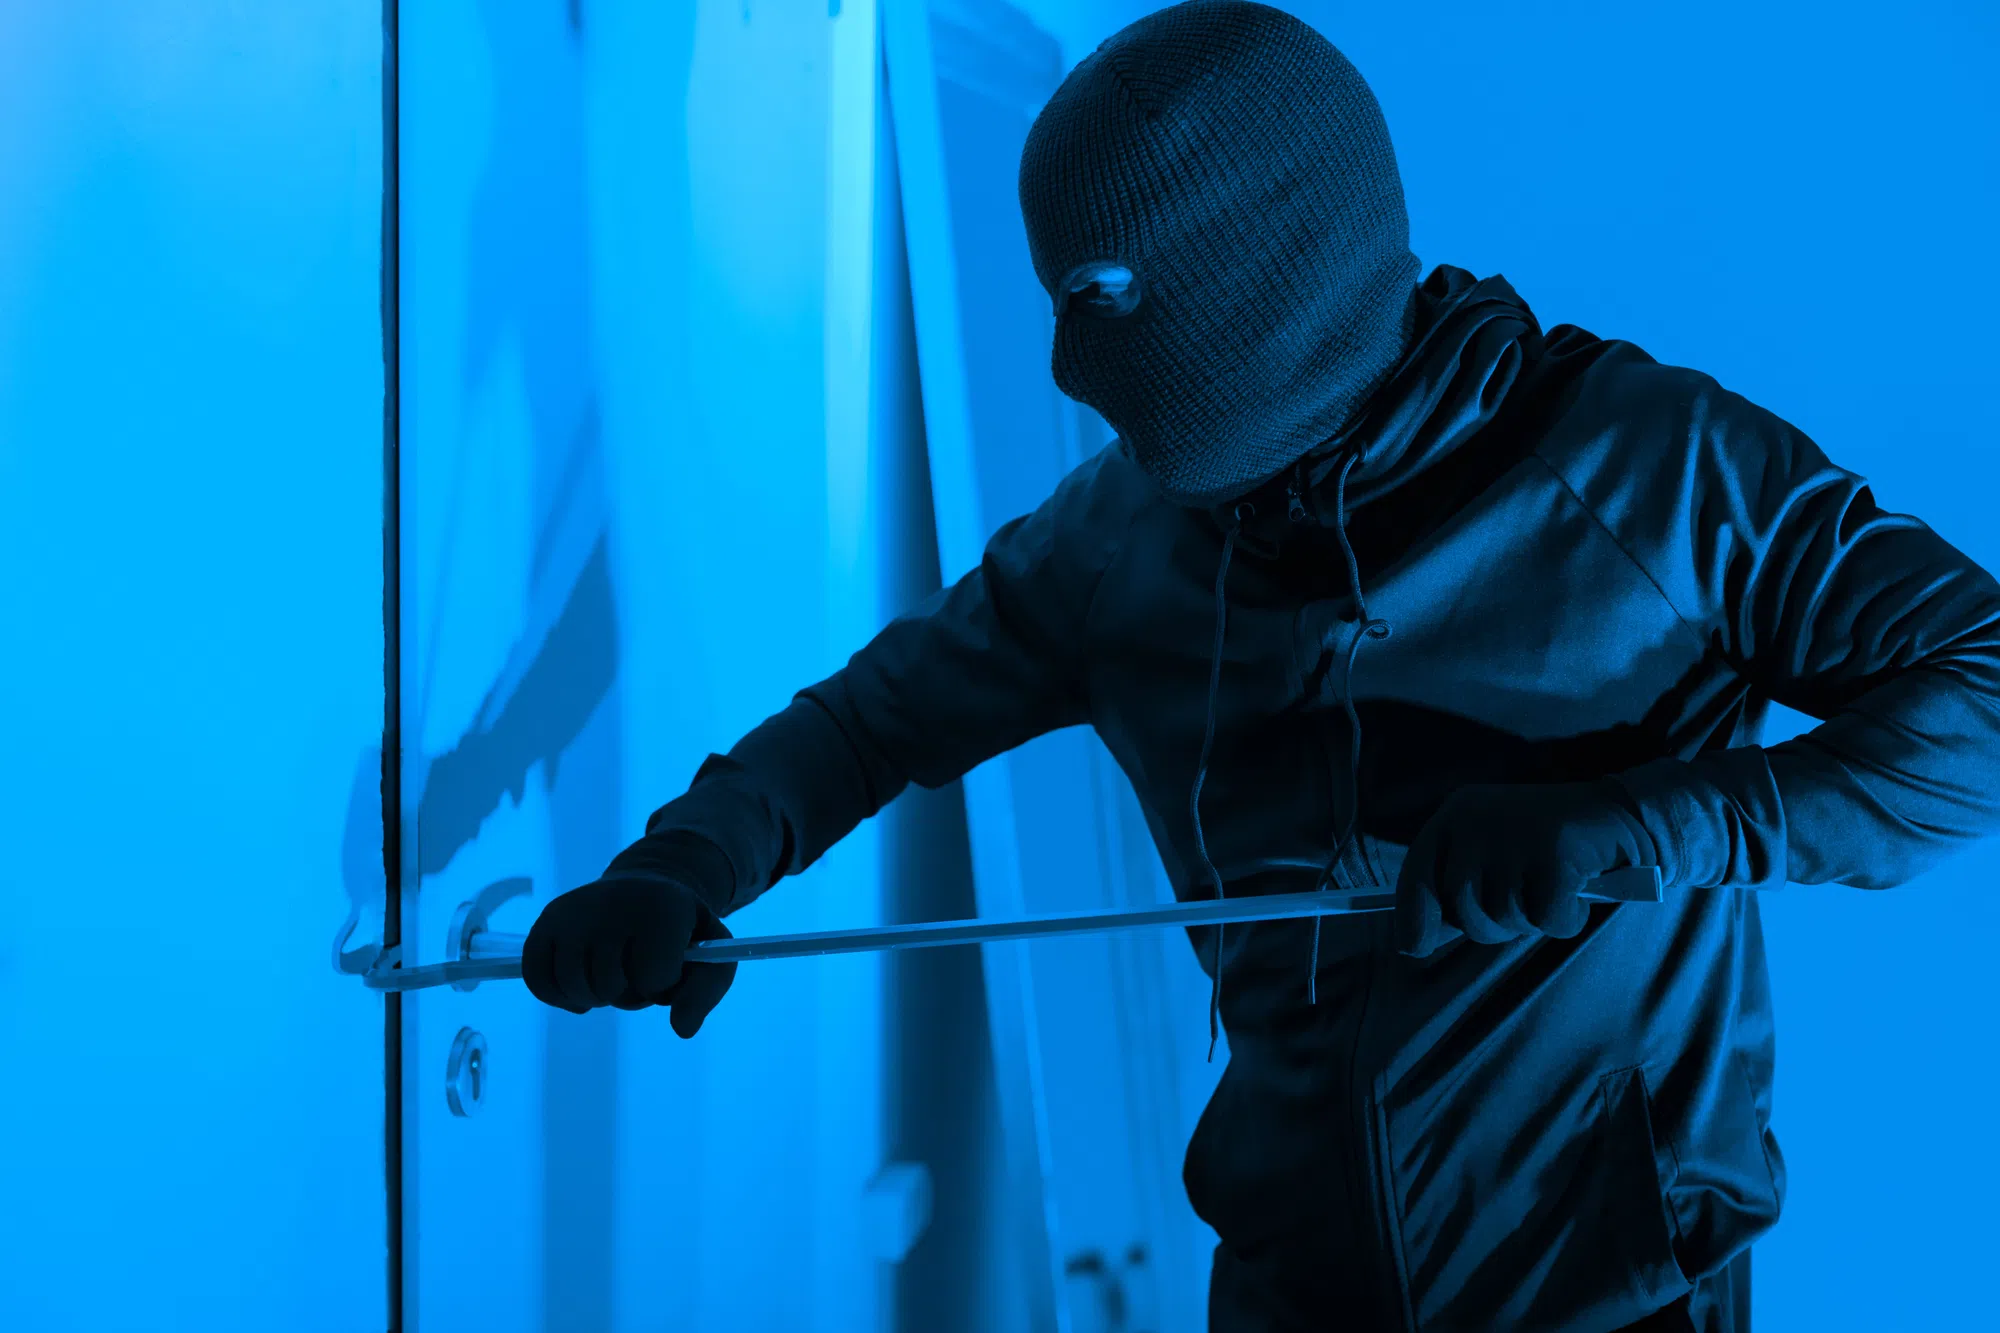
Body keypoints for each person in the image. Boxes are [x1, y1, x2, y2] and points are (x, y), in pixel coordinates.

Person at [520, 3, 2000, 1330]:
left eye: (1108, 310)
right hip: (1283, 1296)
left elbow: (1985, 692)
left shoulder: (1650, 473)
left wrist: (1637, 825)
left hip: (1615, 1304)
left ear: (1272, 277)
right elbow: (869, 724)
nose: (1075, 383)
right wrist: (685, 864)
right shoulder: (1118, 537)